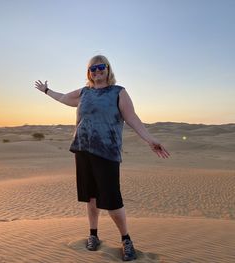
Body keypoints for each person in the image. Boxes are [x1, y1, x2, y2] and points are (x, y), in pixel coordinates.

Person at [34, 55, 170, 261]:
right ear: (89, 72)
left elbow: (132, 118)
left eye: (101, 67)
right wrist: (46, 90)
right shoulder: (84, 92)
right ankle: (93, 235)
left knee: (113, 201)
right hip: (83, 150)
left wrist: (150, 139)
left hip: (107, 153)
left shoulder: (118, 92)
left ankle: (126, 240)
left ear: (108, 70)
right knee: (91, 198)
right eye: (93, 68)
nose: (97, 71)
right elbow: (63, 98)